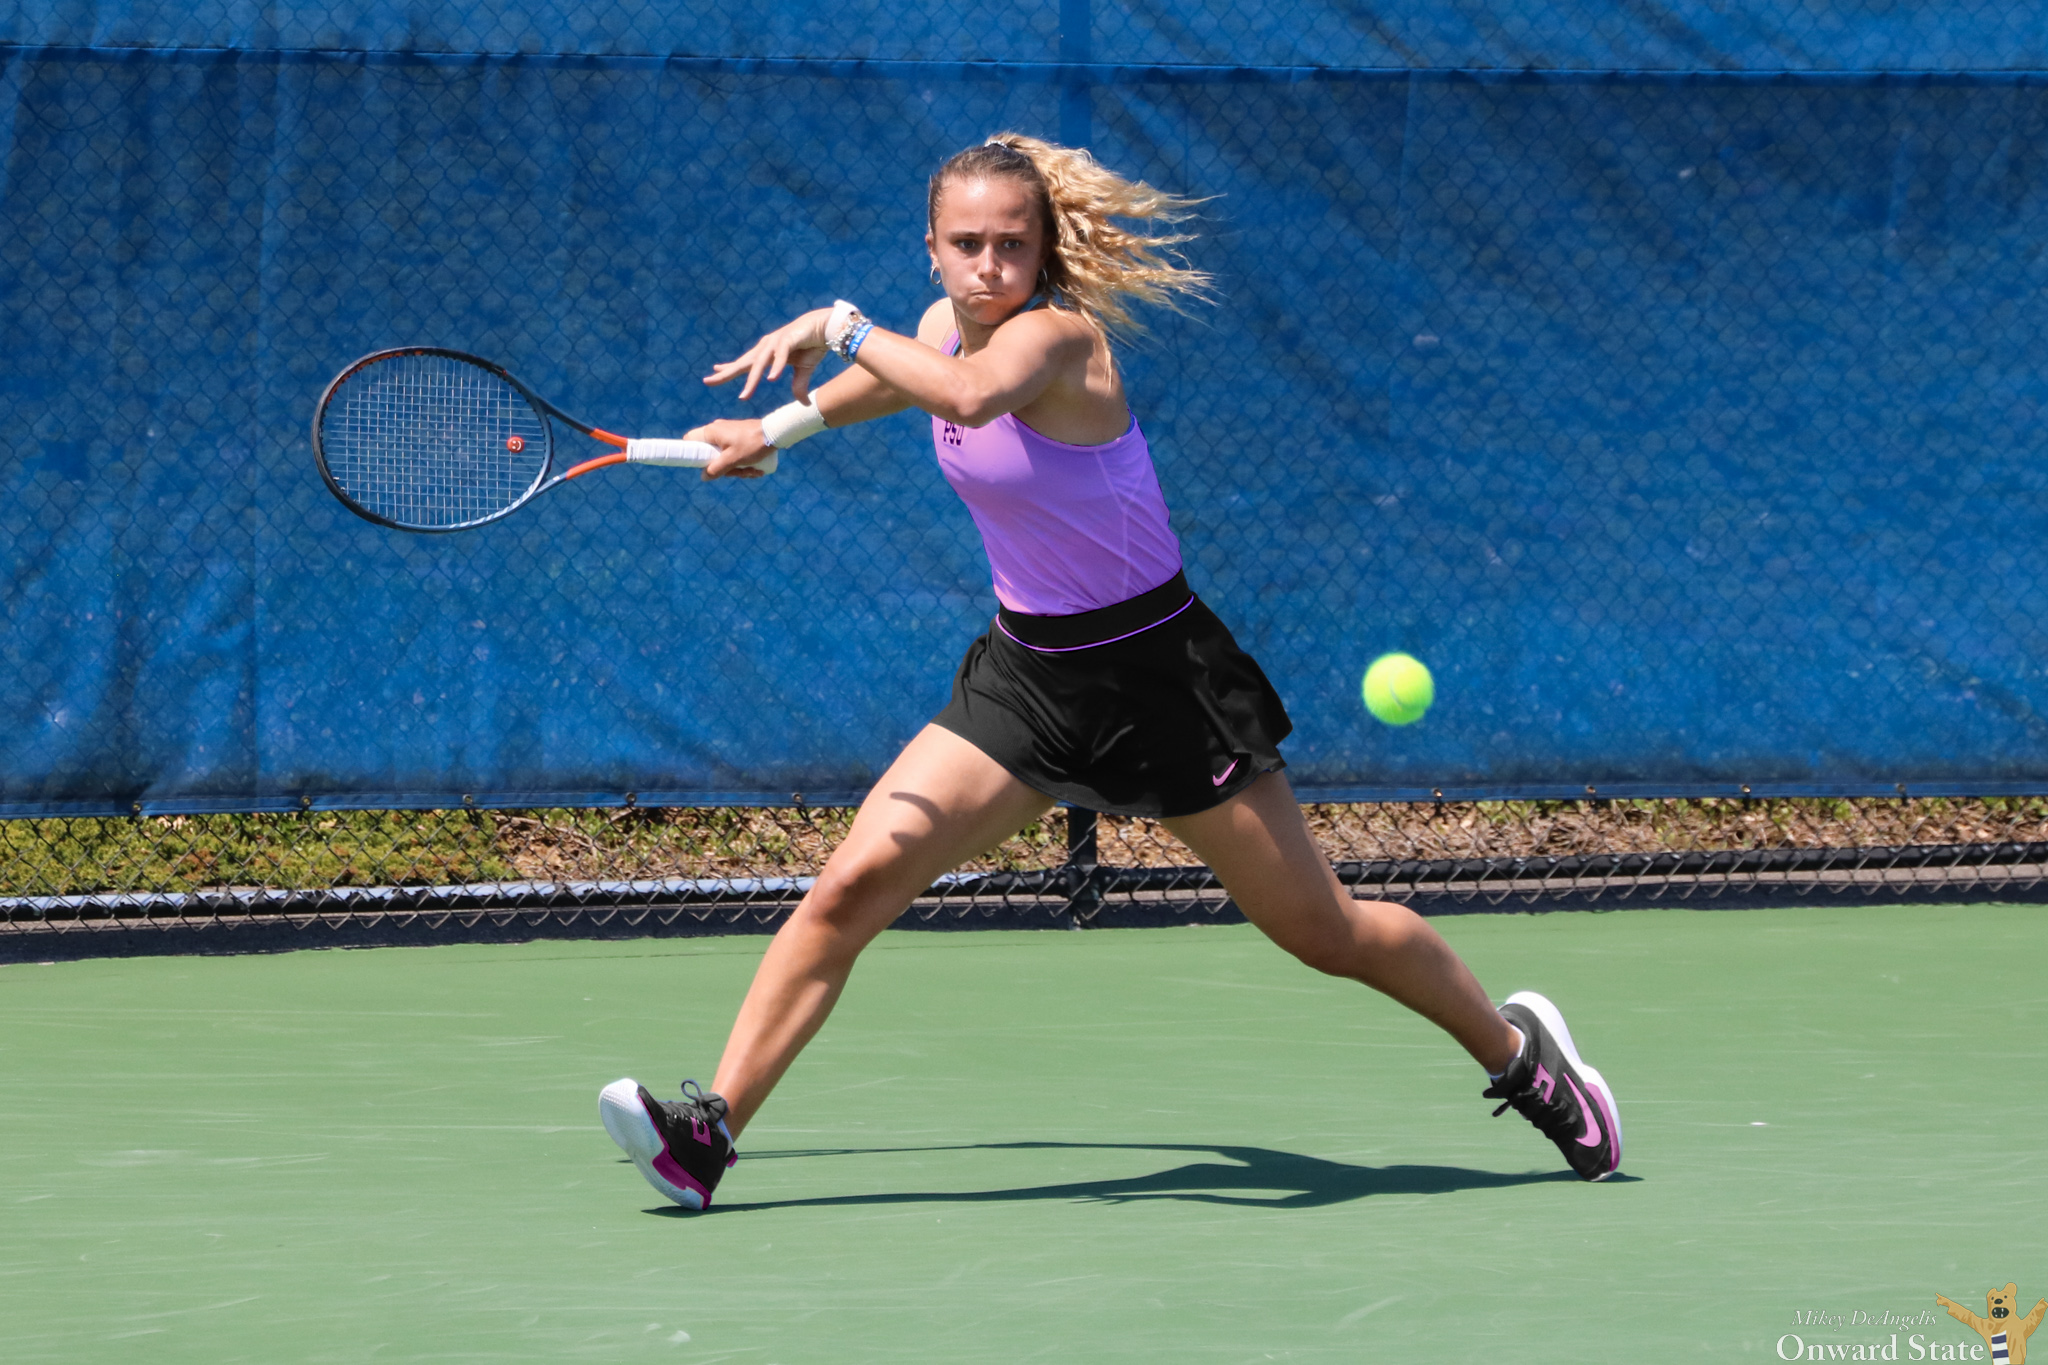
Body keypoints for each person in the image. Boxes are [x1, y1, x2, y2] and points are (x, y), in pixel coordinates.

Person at [597, 134, 1621, 1209]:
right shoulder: (945, 330)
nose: (989, 265)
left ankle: (1523, 1060)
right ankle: (709, 1133)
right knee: (855, 882)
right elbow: (891, 385)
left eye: (1010, 244)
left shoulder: (1055, 340)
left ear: (1042, 253)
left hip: (1159, 681)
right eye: (966, 245)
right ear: (932, 251)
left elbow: (959, 397)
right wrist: (774, 428)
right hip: (1027, 678)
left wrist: (837, 319)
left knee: (1326, 933)